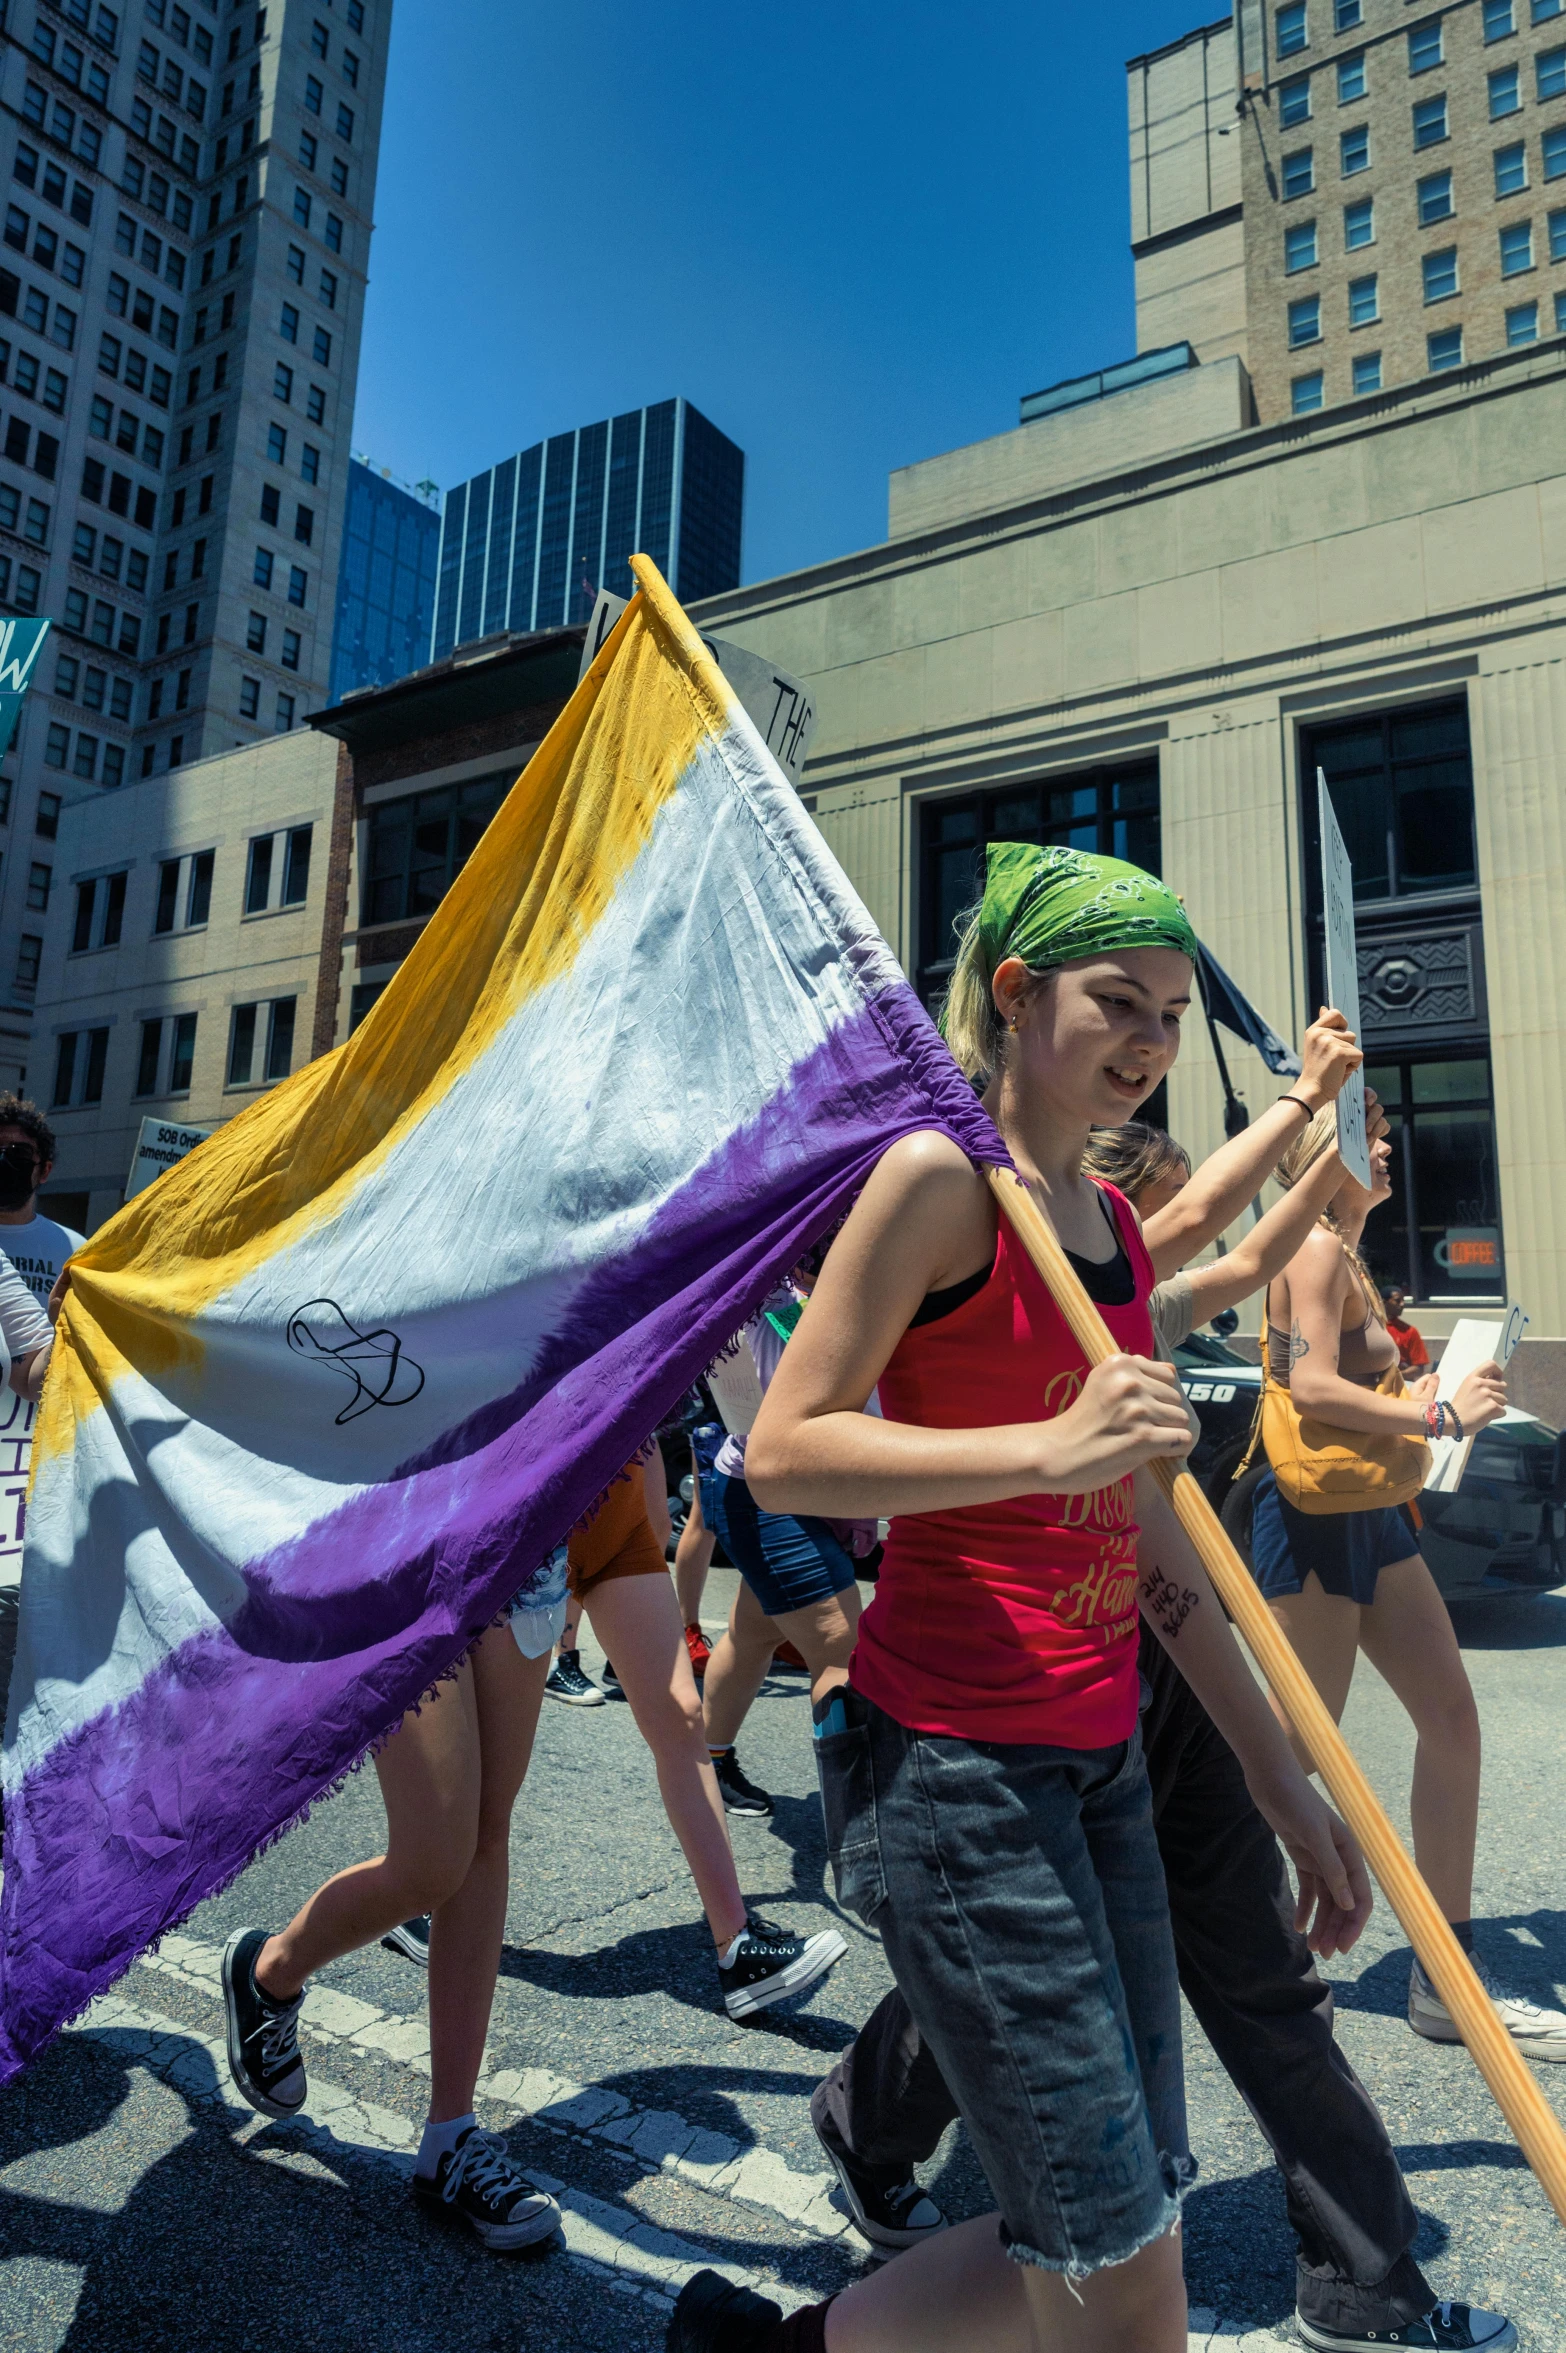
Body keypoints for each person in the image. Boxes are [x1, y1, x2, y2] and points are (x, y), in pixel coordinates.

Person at [668, 841, 1371, 2353]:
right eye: (1119, 1002)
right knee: (1122, 2273)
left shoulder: (1107, 1229)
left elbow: (1146, 1532)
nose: (1149, 1044)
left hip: (1097, 1762)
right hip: (953, 1777)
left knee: (1124, 2210)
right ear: (1013, 992)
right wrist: (1043, 1441)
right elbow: (782, 1450)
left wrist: (1274, 1777)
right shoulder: (939, 1187)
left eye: (1172, 1016)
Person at [804, 1085, 1518, 2353]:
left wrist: (1328, 1160)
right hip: (1022, 1709)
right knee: (1016, 1995)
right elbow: (1209, 1229)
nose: (1151, 1234)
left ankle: (1359, 2266)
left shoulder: (1142, 1287)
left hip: (1168, 1679)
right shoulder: (1064, 1268)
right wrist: (1305, 1114)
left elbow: (1223, 1264)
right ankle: (870, 2127)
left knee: (1250, 1980)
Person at [1255, 1110, 1566, 2064]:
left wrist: (1429, 1385)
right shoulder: (1309, 1247)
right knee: (1295, 1752)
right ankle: (1185, 1915)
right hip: (1312, 1513)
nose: (1386, 1148)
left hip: (1373, 1510)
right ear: (1324, 1157)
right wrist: (1436, 1410)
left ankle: (1446, 1977)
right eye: (1370, 1133)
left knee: (1453, 1719)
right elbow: (1307, 1388)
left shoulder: (1345, 1251)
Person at [554, 1442, 845, 2018]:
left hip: (616, 1506)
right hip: (520, 1501)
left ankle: (737, 1947)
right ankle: (426, 1892)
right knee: (481, 1775)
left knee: (683, 1719)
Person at [698, 1267, 874, 1819]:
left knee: (752, 1636)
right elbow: (787, 1433)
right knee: (840, 1649)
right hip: (764, 1493)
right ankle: (865, 1817)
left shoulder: (818, 1298)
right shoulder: (773, 1308)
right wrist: (854, 1505)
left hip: (801, 1493)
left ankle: (707, 1765)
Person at [0, 1096, 81, 1745]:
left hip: (29, 1506)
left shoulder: (77, 1254)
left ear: (43, 1168)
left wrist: (68, 1327)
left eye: (16, 1155)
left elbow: (31, 1370)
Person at [1382, 1286, 1430, 1374]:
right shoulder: (1372, 1328)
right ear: (1384, 1302)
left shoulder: (1410, 1331)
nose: (1402, 1304)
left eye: (1403, 1300)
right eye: (1397, 1300)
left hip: (1402, 1383)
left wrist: (1396, 1376)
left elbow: (1418, 1368)